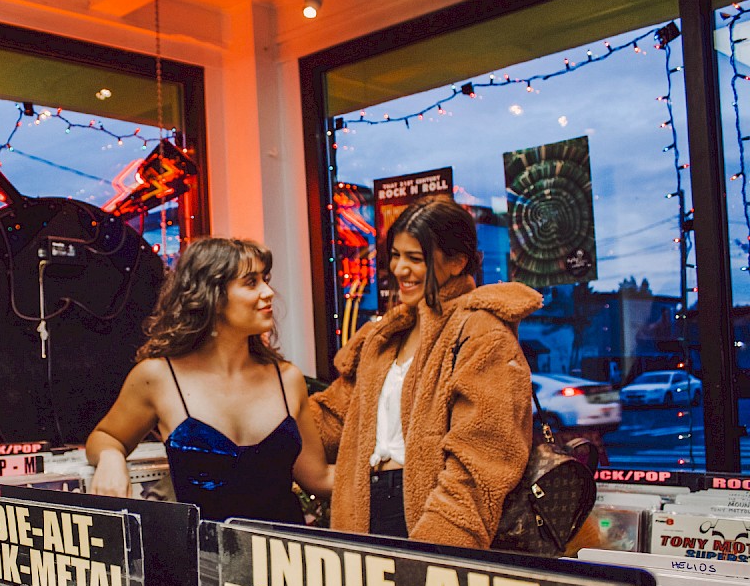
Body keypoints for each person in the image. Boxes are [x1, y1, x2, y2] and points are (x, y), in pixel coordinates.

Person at [310, 195, 542, 547]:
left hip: (431, 523)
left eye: (415, 258)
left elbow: (483, 458)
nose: (400, 269)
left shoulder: (482, 333)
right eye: (396, 256)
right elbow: (332, 420)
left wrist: (439, 547)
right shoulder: (384, 336)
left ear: (457, 262)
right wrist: (272, 393)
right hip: (364, 518)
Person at [86, 238, 333, 523]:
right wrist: (111, 458)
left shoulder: (287, 379)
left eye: (265, 280)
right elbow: (106, 436)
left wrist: (389, 472)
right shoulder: (158, 377)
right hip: (203, 560)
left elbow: (318, 477)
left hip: (281, 559)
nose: (268, 292)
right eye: (251, 282)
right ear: (211, 297)